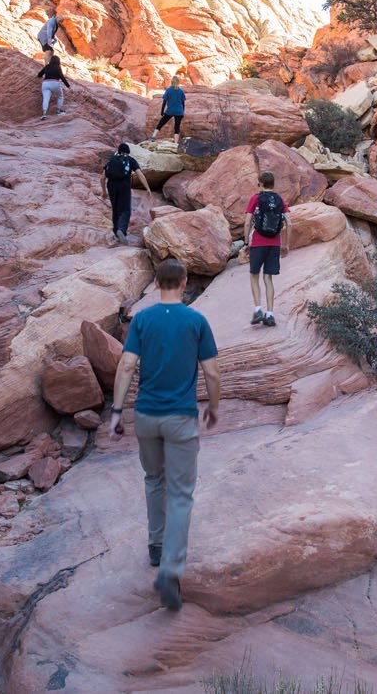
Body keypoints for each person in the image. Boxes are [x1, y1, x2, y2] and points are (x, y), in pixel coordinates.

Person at [109, 259, 221, 611]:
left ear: (157, 284)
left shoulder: (142, 319)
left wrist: (116, 412)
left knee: (153, 479)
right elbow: (212, 373)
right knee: (181, 494)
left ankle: (155, 545)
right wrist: (214, 406)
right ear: (185, 282)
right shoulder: (196, 321)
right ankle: (170, 568)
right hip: (181, 418)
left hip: (146, 415)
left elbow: (126, 364)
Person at [243, 171, 290, 327]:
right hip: (274, 243)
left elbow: (247, 222)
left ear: (260, 184)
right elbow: (289, 223)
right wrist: (286, 244)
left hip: (258, 242)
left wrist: (246, 243)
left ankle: (258, 310)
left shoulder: (255, 199)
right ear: (273, 184)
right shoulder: (280, 200)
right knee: (268, 278)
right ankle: (270, 314)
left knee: (254, 275)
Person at [100, 142, 151, 243]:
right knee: (125, 210)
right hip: (124, 186)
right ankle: (121, 230)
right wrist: (148, 188)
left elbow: (102, 178)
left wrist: (104, 191)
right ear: (128, 152)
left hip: (111, 186)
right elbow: (140, 175)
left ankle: (116, 233)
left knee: (115, 209)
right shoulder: (130, 160)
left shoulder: (112, 160)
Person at [149, 75, 186, 146]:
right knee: (177, 127)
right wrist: (182, 112)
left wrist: (162, 111)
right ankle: (176, 143)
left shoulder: (168, 90)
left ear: (172, 82)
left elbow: (164, 102)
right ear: (178, 82)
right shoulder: (181, 91)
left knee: (161, 123)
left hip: (170, 110)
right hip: (179, 111)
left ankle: (153, 137)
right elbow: (183, 103)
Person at [37, 53, 72, 118]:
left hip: (45, 83)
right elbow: (61, 77)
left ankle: (44, 114)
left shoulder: (47, 66)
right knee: (60, 96)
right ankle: (58, 111)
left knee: (46, 99)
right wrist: (68, 85)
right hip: (54, 83)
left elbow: (40, 74)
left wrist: (41, 76)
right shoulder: (58, 67)